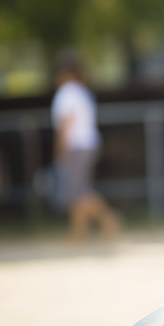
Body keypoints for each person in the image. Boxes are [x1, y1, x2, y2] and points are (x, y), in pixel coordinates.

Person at [51, 51, 121, 242]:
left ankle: (109, 218)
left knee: (77, 191)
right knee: (78, 190)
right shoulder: (82, 92)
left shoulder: (66, 93)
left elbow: (65, 126)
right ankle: (79, 234)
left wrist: (60, 151)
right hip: (88, 144)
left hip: (76, 146)